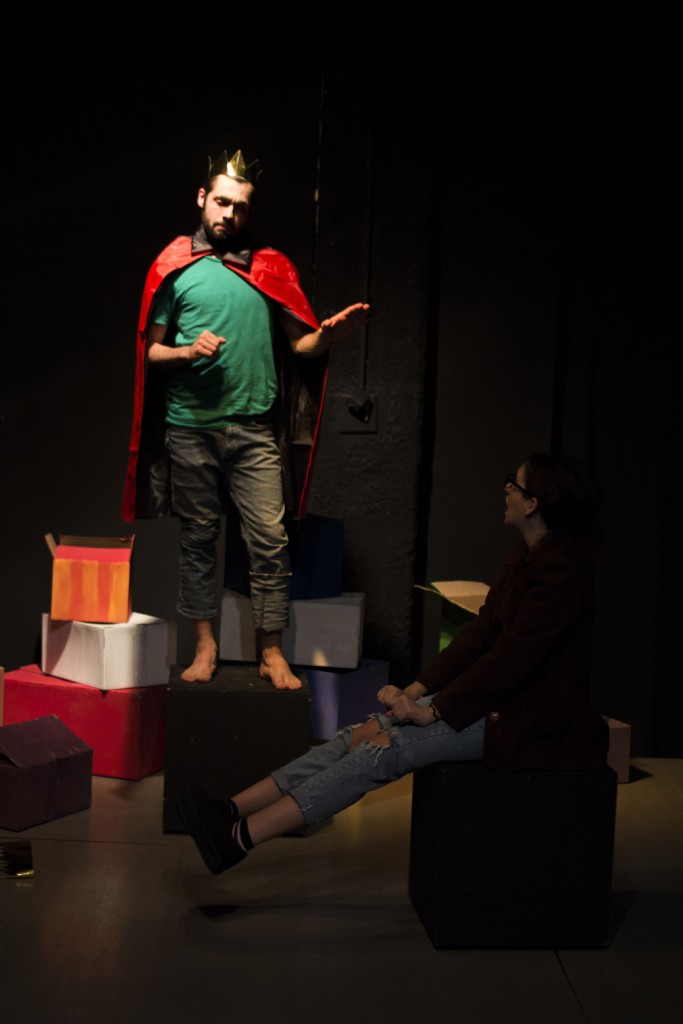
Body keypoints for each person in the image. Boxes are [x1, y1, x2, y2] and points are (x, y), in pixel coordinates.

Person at [178, 452, 610, 876]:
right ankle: (228, 810)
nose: (505, 489)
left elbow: (510, 659)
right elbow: (478, 637)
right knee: (360, 732)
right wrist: (414, 691)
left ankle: (237, 839)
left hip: (531, 719)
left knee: (383, 750)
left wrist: (433, 710)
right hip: (501, 701)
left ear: (532, 503)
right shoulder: (523, 556)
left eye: (513, 483)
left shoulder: (561, 571)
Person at [121, 148, 369, 688]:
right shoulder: (173, 266)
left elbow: (301, 345)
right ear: (202, 198)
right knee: (198, 541)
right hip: (191, 428)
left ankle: (271, 652)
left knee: (270, 542)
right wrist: (187, 351)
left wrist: (330, 335)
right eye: (222, 201)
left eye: (240, 206)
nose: (229, 213)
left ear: (248, 212)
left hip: (255, 431)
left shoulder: (269, 267)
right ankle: (204, 648)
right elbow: (151, 352)